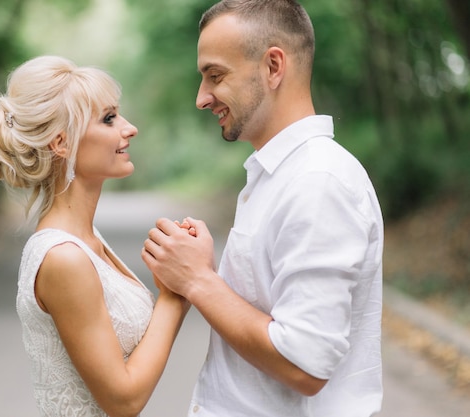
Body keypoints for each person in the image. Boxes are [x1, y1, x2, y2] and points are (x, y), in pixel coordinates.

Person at [141, 1, 384, 416]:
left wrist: (199, 280)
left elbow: (305, 363)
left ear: (273, 67)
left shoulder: (316, 183)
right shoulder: (278, 176)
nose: (202, 98)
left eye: (215, 76)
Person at [0, 55, 188, 417]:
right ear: (61, 144)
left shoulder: (86, 239)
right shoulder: (63, 258)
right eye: (109, 118)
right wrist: (178, 293)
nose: (129, 128)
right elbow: (123, 400)